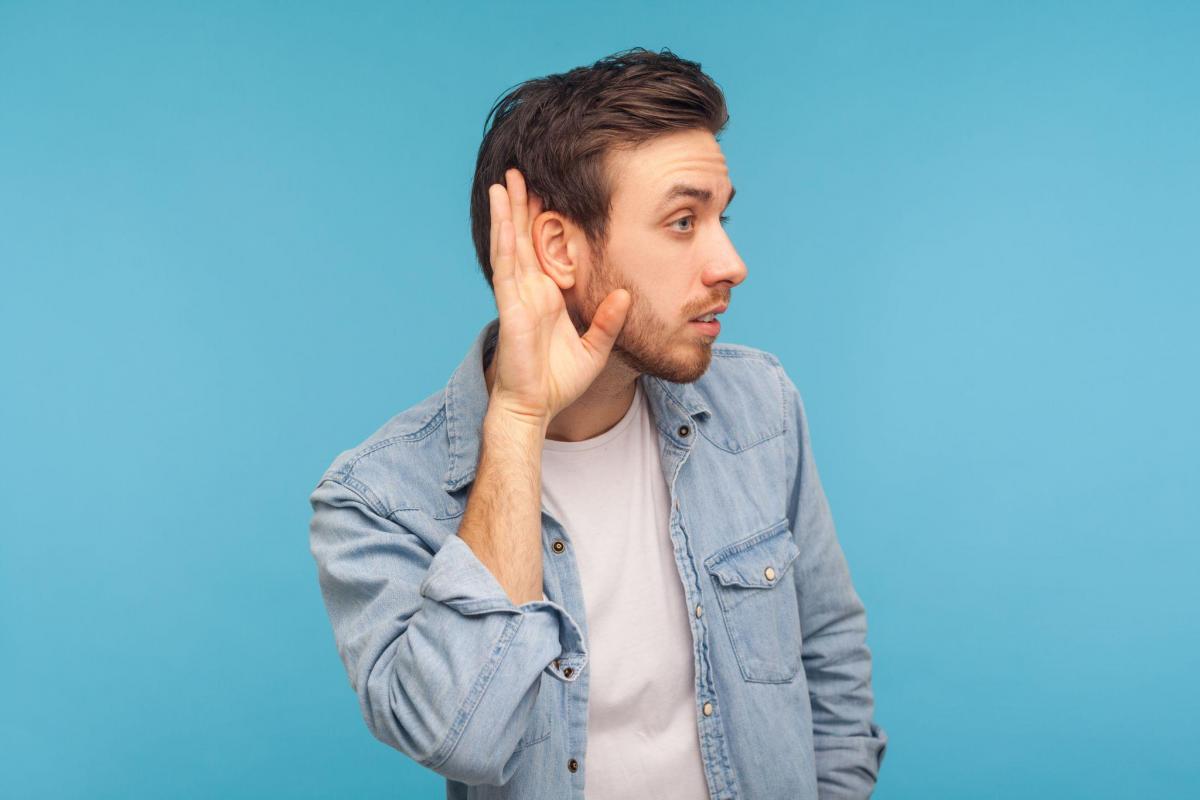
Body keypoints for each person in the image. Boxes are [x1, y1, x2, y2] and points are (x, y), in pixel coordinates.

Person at [308, 47, 887, 799]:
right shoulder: (377, 498)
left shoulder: (760, 406)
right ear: (559, 249)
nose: (731, 262)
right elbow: (462, 738)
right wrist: (517, 419)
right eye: (683, 221)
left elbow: (831, 662)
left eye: (721, 216)